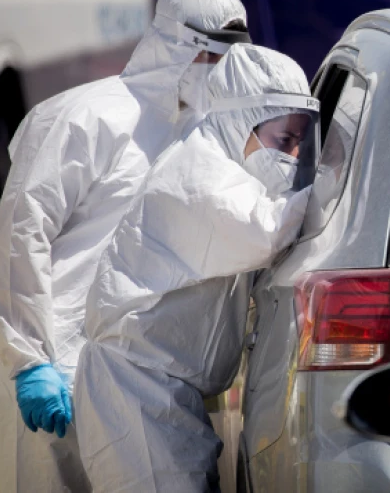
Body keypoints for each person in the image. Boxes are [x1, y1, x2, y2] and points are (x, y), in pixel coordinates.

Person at [0, 0, 251, 493]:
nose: (217, 73)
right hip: (57, 372)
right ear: (177, 44)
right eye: (211, 56)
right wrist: (31, 360)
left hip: (145, 384)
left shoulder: (210, 134)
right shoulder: (85, 116)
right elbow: (23, 230)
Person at [75, 43, 318, 492]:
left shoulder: (221, 163)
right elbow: (267, 230)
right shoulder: (197, 176)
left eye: (302, 141)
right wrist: (332, 188)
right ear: (238, 121)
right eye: (284, 139)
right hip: (134, 391)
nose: (293, 154)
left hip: (161, 390)